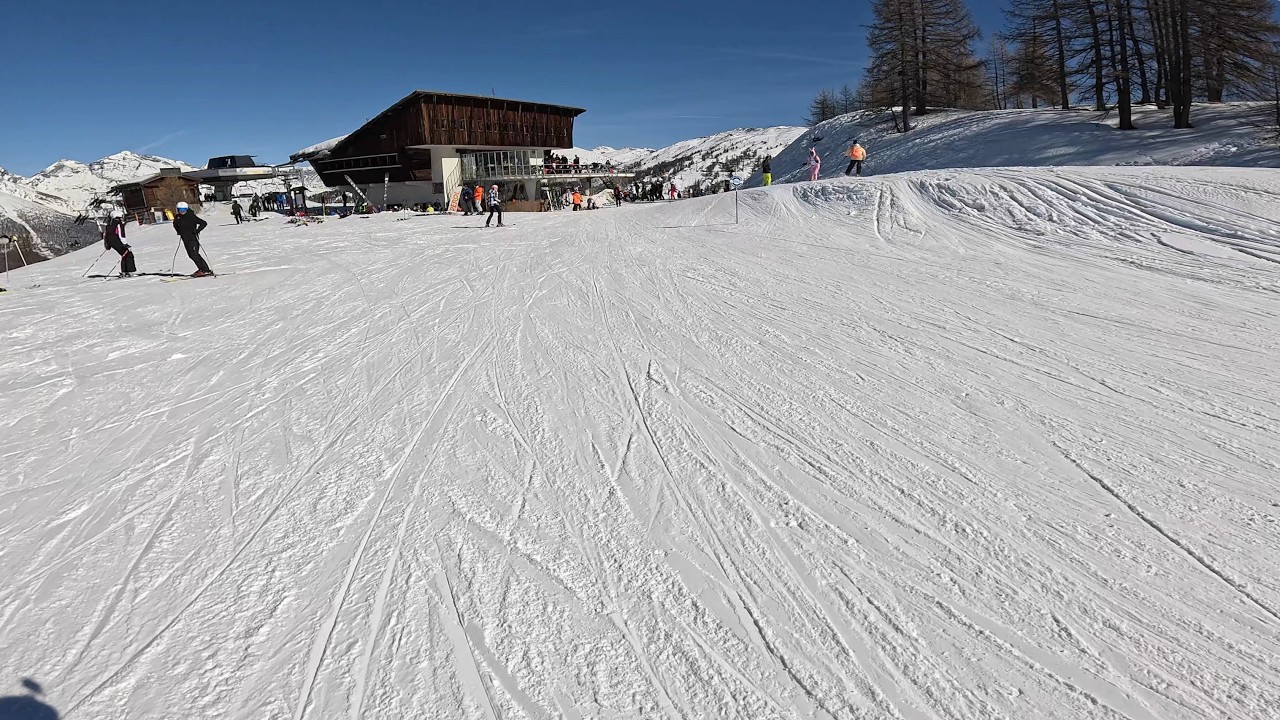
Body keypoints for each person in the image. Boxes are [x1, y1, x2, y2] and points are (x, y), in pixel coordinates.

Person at [172, 201, 213, 277]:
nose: (182, 212)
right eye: (180, 210)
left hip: (193, 239)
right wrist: (179, 231)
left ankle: (205, 270)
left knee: (195, 255)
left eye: (184, 210)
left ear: (187, 209)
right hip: (185, 239)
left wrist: (197, 230)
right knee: (191, 255)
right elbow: (175, 225)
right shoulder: (178, 217)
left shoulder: (191, 216)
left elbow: (203, 223)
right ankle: (201, 269)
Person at [103, 209, 136, 276]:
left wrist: (107, 244)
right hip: (117, 240)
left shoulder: (109, 224)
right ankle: (129, 271)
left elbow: (105, 234)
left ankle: (125, 271)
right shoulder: (118, 223)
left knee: (124, 254)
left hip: (111, 242)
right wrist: (125, 244)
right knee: (128, 254)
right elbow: (121, 234)